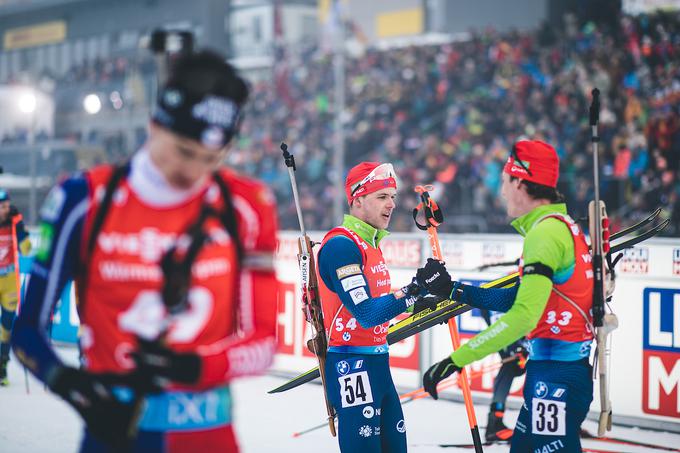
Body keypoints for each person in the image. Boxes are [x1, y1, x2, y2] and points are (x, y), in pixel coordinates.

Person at [12, 49, 279, 452]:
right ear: (155, 125)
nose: (192, 172)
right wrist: (75, 390)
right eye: (185, 153)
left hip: (209, 435)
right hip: (116, 433)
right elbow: (26, 331)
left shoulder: (247, 205)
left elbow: (263, 342)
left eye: (211, 160)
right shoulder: (84, 199)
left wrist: (197, 366)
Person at [416, 140, 595, 452]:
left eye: (503, 181)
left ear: (520, 182)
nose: (501, 192)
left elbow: (523, 315)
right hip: (553, 373)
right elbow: (515, 299)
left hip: (555, 378)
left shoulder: (545, 234)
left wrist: (457, 361)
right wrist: (455, 291)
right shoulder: (558, 227)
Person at [316, 161, 424, 453]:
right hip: (352, 367)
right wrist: (414, 290)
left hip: (378, 364)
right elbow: (366, 314)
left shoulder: (370, 244)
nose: (391, 204)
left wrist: (429, 294)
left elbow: (382, 304)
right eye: (382, 197)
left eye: (393, 197)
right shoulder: (341, 246)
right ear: (358, 199)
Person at [478, 308, 527, 442]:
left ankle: (495, 423)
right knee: (510, 367)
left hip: (515, 331)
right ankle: (495, 423)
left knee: (510, 367)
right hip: (509, 329)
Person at [0, 189, 31, 385]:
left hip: (10, 278)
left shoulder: (13, 220)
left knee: (7, 323)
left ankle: (2, 364)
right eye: (2, 207)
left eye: (7, 205)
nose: (6, 209)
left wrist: (22, 234)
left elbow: (25, 248)